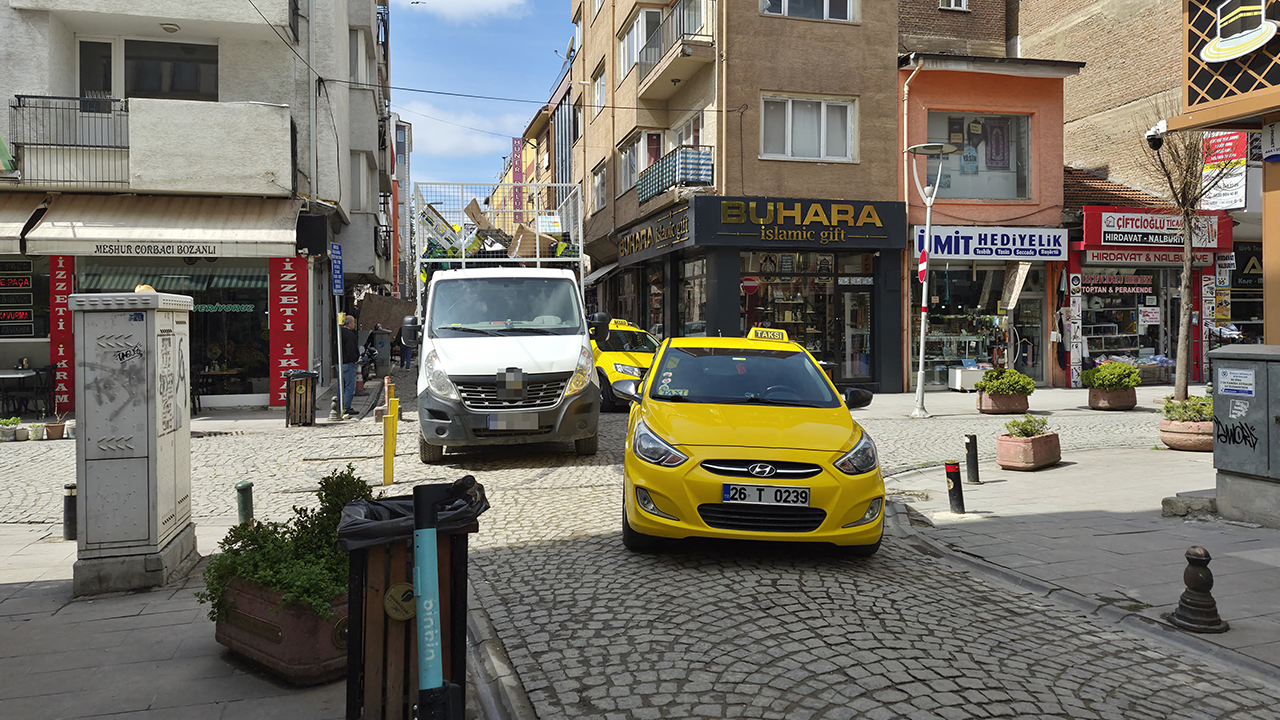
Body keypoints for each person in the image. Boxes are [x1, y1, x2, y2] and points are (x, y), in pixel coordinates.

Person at [339, 314, 358, 418]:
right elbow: (351, 349)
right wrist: (354, 359)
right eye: (353, 322)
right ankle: (346, 407)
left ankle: (339, 406)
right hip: (348, 363)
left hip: (339, 363)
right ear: (350, 323)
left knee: (341, 386)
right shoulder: (349, 334)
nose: (354, 324)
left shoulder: (338, 332)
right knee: (349, 386)